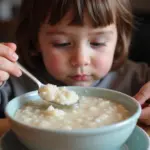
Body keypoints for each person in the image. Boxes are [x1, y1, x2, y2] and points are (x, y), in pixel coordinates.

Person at [0, 0, 150, 125]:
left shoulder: (139, 79)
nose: (81, 60)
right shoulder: (12, 81)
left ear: (118, 40)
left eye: (98, 43)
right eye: (62, 43)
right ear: (35, 42)